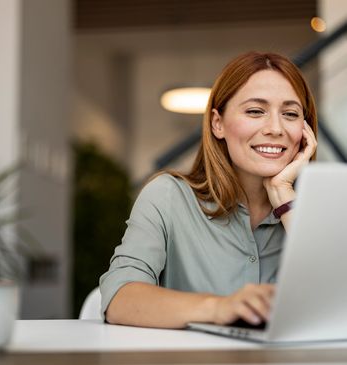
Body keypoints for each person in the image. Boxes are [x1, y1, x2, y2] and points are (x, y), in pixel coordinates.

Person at [100, 51, 318, 329]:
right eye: (255, 111)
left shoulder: (320, 208)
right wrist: (220, 307)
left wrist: (286, 199)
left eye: (290, 114)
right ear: (218, 123)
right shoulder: (168, 196)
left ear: (305, 129)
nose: (275, 128)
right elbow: (120, 298)